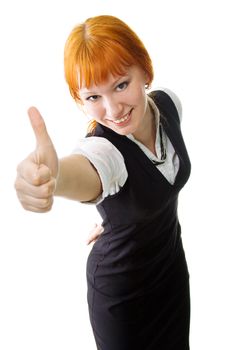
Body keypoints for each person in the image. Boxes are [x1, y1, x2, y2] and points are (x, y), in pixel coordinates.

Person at [15, 15, 191, 350]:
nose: (113, 109)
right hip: (122, 294)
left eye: (121, 85)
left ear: (145, 73)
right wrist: (54, 177)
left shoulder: (171, 107)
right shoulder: (104, 150)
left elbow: (150, 188)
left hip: (170, 270)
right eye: (93, 97)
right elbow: (85, 171)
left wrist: (120, 216)